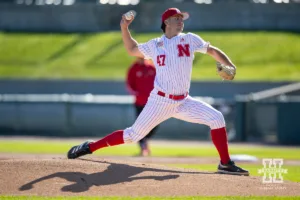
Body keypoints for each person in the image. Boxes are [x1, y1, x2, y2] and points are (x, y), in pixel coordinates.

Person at [67, 8, 249, 176]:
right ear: (166, 22)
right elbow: (131, 49)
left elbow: (211, 50)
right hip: (160, 102)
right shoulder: (155, 45)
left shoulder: (190, 39)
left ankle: (225, 163)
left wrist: (229, 64)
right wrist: (124, 28)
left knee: (217, 118)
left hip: (183, 102)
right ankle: (90, 146)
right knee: (132, 136)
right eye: (176, 18)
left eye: (181, 19)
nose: (180, 21)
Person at [126, 57, 158, 156]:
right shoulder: (133, 68)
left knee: (155, 124)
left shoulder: (152, 68)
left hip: (152, 102)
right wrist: (135, 93)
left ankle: (144, 140)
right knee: (140, 125)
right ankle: (143, 147)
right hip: (140, 102)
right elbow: (129, 83)